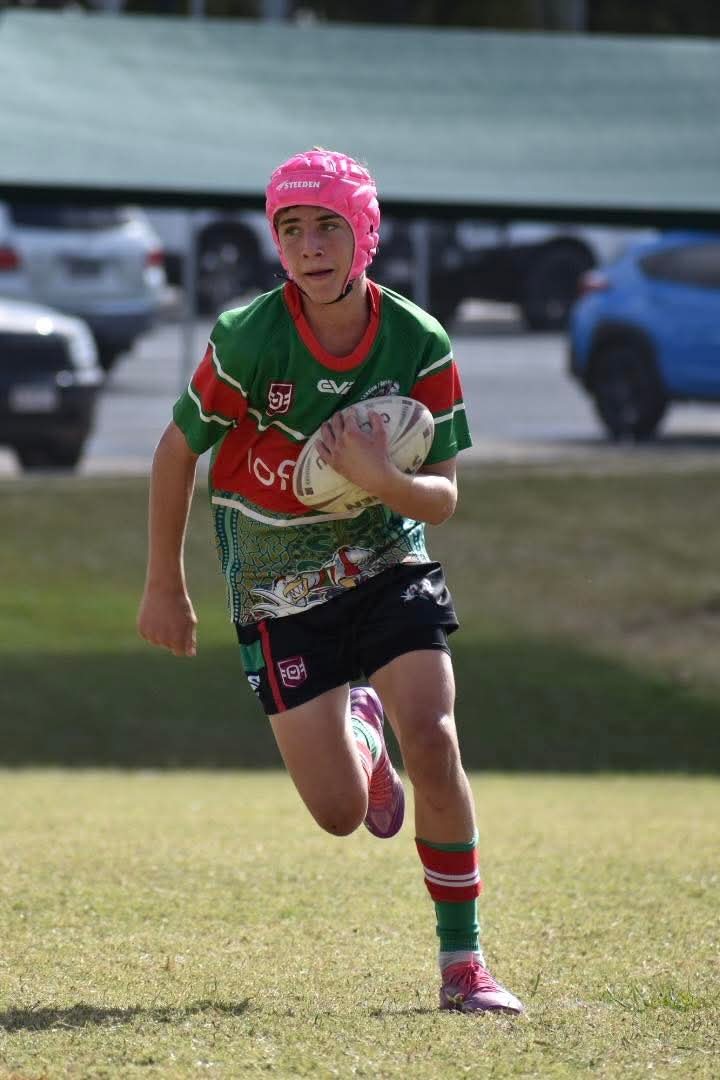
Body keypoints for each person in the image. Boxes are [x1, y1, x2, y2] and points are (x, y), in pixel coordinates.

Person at [137, 148, 523, 1015]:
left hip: (387, 559)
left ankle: (463, 965)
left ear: (365, 234)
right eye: (291, 229)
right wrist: (165, 585)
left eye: (327, 226)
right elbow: (175, 452)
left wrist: (382, 480)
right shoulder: (248, 337)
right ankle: (360, 729)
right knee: (340, 813)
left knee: (435, 735)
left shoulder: (418, 340)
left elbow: (443, 497)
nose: (309, 245)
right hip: (275, 587)